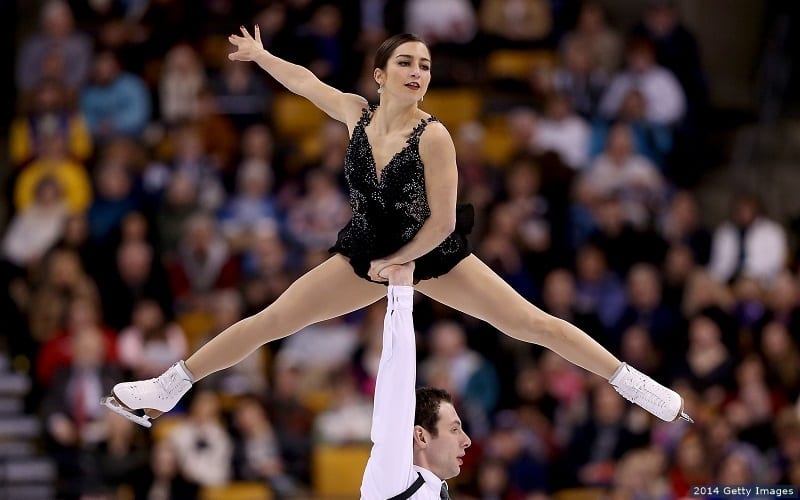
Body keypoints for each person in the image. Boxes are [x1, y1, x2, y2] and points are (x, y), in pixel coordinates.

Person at [102, 27, 691, 428]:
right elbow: (306, 83)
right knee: (273, 320)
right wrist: (261, 59)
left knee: (530, 323)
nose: (417, 72)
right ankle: (169, 386)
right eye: (406, 62)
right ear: (379, 74)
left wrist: (404, 262)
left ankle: (630, 381)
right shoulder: (357, 113)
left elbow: (442, 220)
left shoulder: (434, 136)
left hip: (433, 254)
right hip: (366, 252)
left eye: (426, 65)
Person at [361, 261, 470, 498]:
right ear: (420, 436)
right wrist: (400, 293)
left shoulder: (434, 491)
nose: (467, 440)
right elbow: (396, 383)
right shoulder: (394, 481)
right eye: (454, 429)